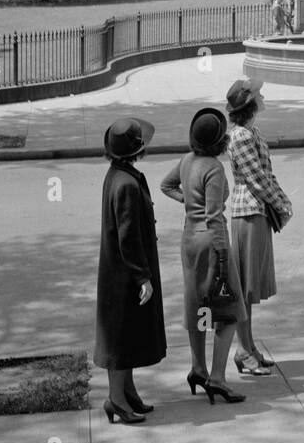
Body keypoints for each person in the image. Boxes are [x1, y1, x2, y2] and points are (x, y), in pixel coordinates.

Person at [159, 109, 246, 406]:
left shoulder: (187, 160)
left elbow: (166, 185)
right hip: (211, 242)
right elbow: (214, 216)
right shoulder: (214, 168)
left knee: (198, 306)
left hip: (188, 240)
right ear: (219, 140)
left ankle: (198, 368)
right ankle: (218, 378)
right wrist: (223, 256)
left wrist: (187, 201)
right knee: (230, 309)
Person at [94, 117, 166, 424]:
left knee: (128, 335)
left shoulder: (119, 175)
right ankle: (117, 399)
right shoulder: (124, 184)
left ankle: (128, 392)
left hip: (120, 273)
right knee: (121, 339)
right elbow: (128, 237)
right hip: (124, 276)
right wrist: (142, 276)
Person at [226, 78, 293, 376]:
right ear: (250, 104)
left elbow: (267, 173)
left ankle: (248, 347)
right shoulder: (240, 136)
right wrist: (280, 203)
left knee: (250, 286)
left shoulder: (251, 131)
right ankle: (243, 348)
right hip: (248, 211)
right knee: (246, 286)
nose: (263, 95)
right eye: (258, 94)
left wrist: (281, 200)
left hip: (257, 211)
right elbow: (256, 178)